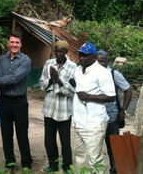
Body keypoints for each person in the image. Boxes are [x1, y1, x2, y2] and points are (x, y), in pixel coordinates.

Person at [0, 31, 33, 172]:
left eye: (17, 42)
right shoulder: (2, 59)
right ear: (8, 43)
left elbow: (14, 78)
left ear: (21, 44)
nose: (14, 45)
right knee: (6, 134)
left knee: (22, 134)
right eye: (12, 42)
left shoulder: (25, 60)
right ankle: (10, 163)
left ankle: (26, 163)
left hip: (20, 102)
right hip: (4, 101)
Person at [72, 43, 116, 174]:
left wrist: (89, 96)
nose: (82, 58)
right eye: (80, 54)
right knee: (79, 158)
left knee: (94, 160)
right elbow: (75, 85)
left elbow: (111, 96)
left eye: (85, 55)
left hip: (94, 123)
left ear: (94, 57)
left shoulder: (102, 72)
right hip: (78, 122)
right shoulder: (78, 70)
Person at [39, 40, 76, 173]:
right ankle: (53, 165)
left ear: (66, 52)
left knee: (65, 141)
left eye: (61, 51)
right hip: (49, 109)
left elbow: (72, 91)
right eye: (56, 51)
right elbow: (41, 84)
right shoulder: (49, 63)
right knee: (49, 140)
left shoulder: (73, 67)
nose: (58, 53)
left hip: (64, 111)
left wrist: (58, 80)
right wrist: (50, 79)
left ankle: (67, 166)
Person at [96, 50, 132, 174]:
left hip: (112, 116)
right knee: (96, 146)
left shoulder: (113, 74)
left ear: (107, 61)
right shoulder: (92, 74)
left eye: (102, 61)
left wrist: (123, 110)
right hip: (96, 117)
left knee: (114, 146)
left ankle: (116, 170)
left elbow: (128, 89)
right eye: (97, 61)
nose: (99, 63)